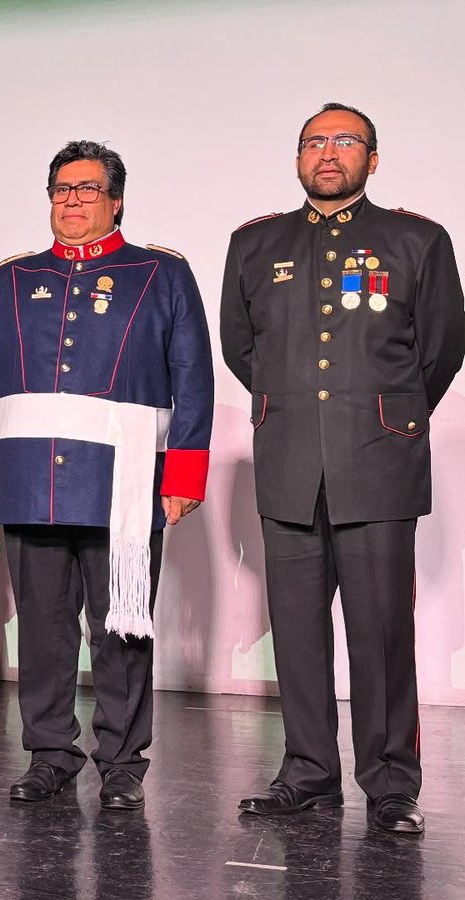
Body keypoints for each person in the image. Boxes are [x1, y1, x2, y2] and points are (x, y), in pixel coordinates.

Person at [221, 102, 465, 834]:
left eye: (345, 142)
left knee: (382, 630)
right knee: (295, 631)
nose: (328, 154)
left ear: (373, 159)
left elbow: (442, 349)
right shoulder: (256, 243)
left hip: (379, 462)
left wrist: (385, 416)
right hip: (289, 460)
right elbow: (242, 348)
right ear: (298, 158)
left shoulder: (416, 240)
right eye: (313, 142)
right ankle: (309, 775)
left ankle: (391, 785)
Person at [0, 141, 213, 808]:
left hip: (121, 483)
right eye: (61, 189)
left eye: (86, 189)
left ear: (116, 199)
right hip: (30, 480)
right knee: (41, 629)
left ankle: (122, 762)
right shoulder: (11, 278)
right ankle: (49, 754)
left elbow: (193, 376)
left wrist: (184, 473)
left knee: (121, 628)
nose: (71, 200)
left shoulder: (161, 274)